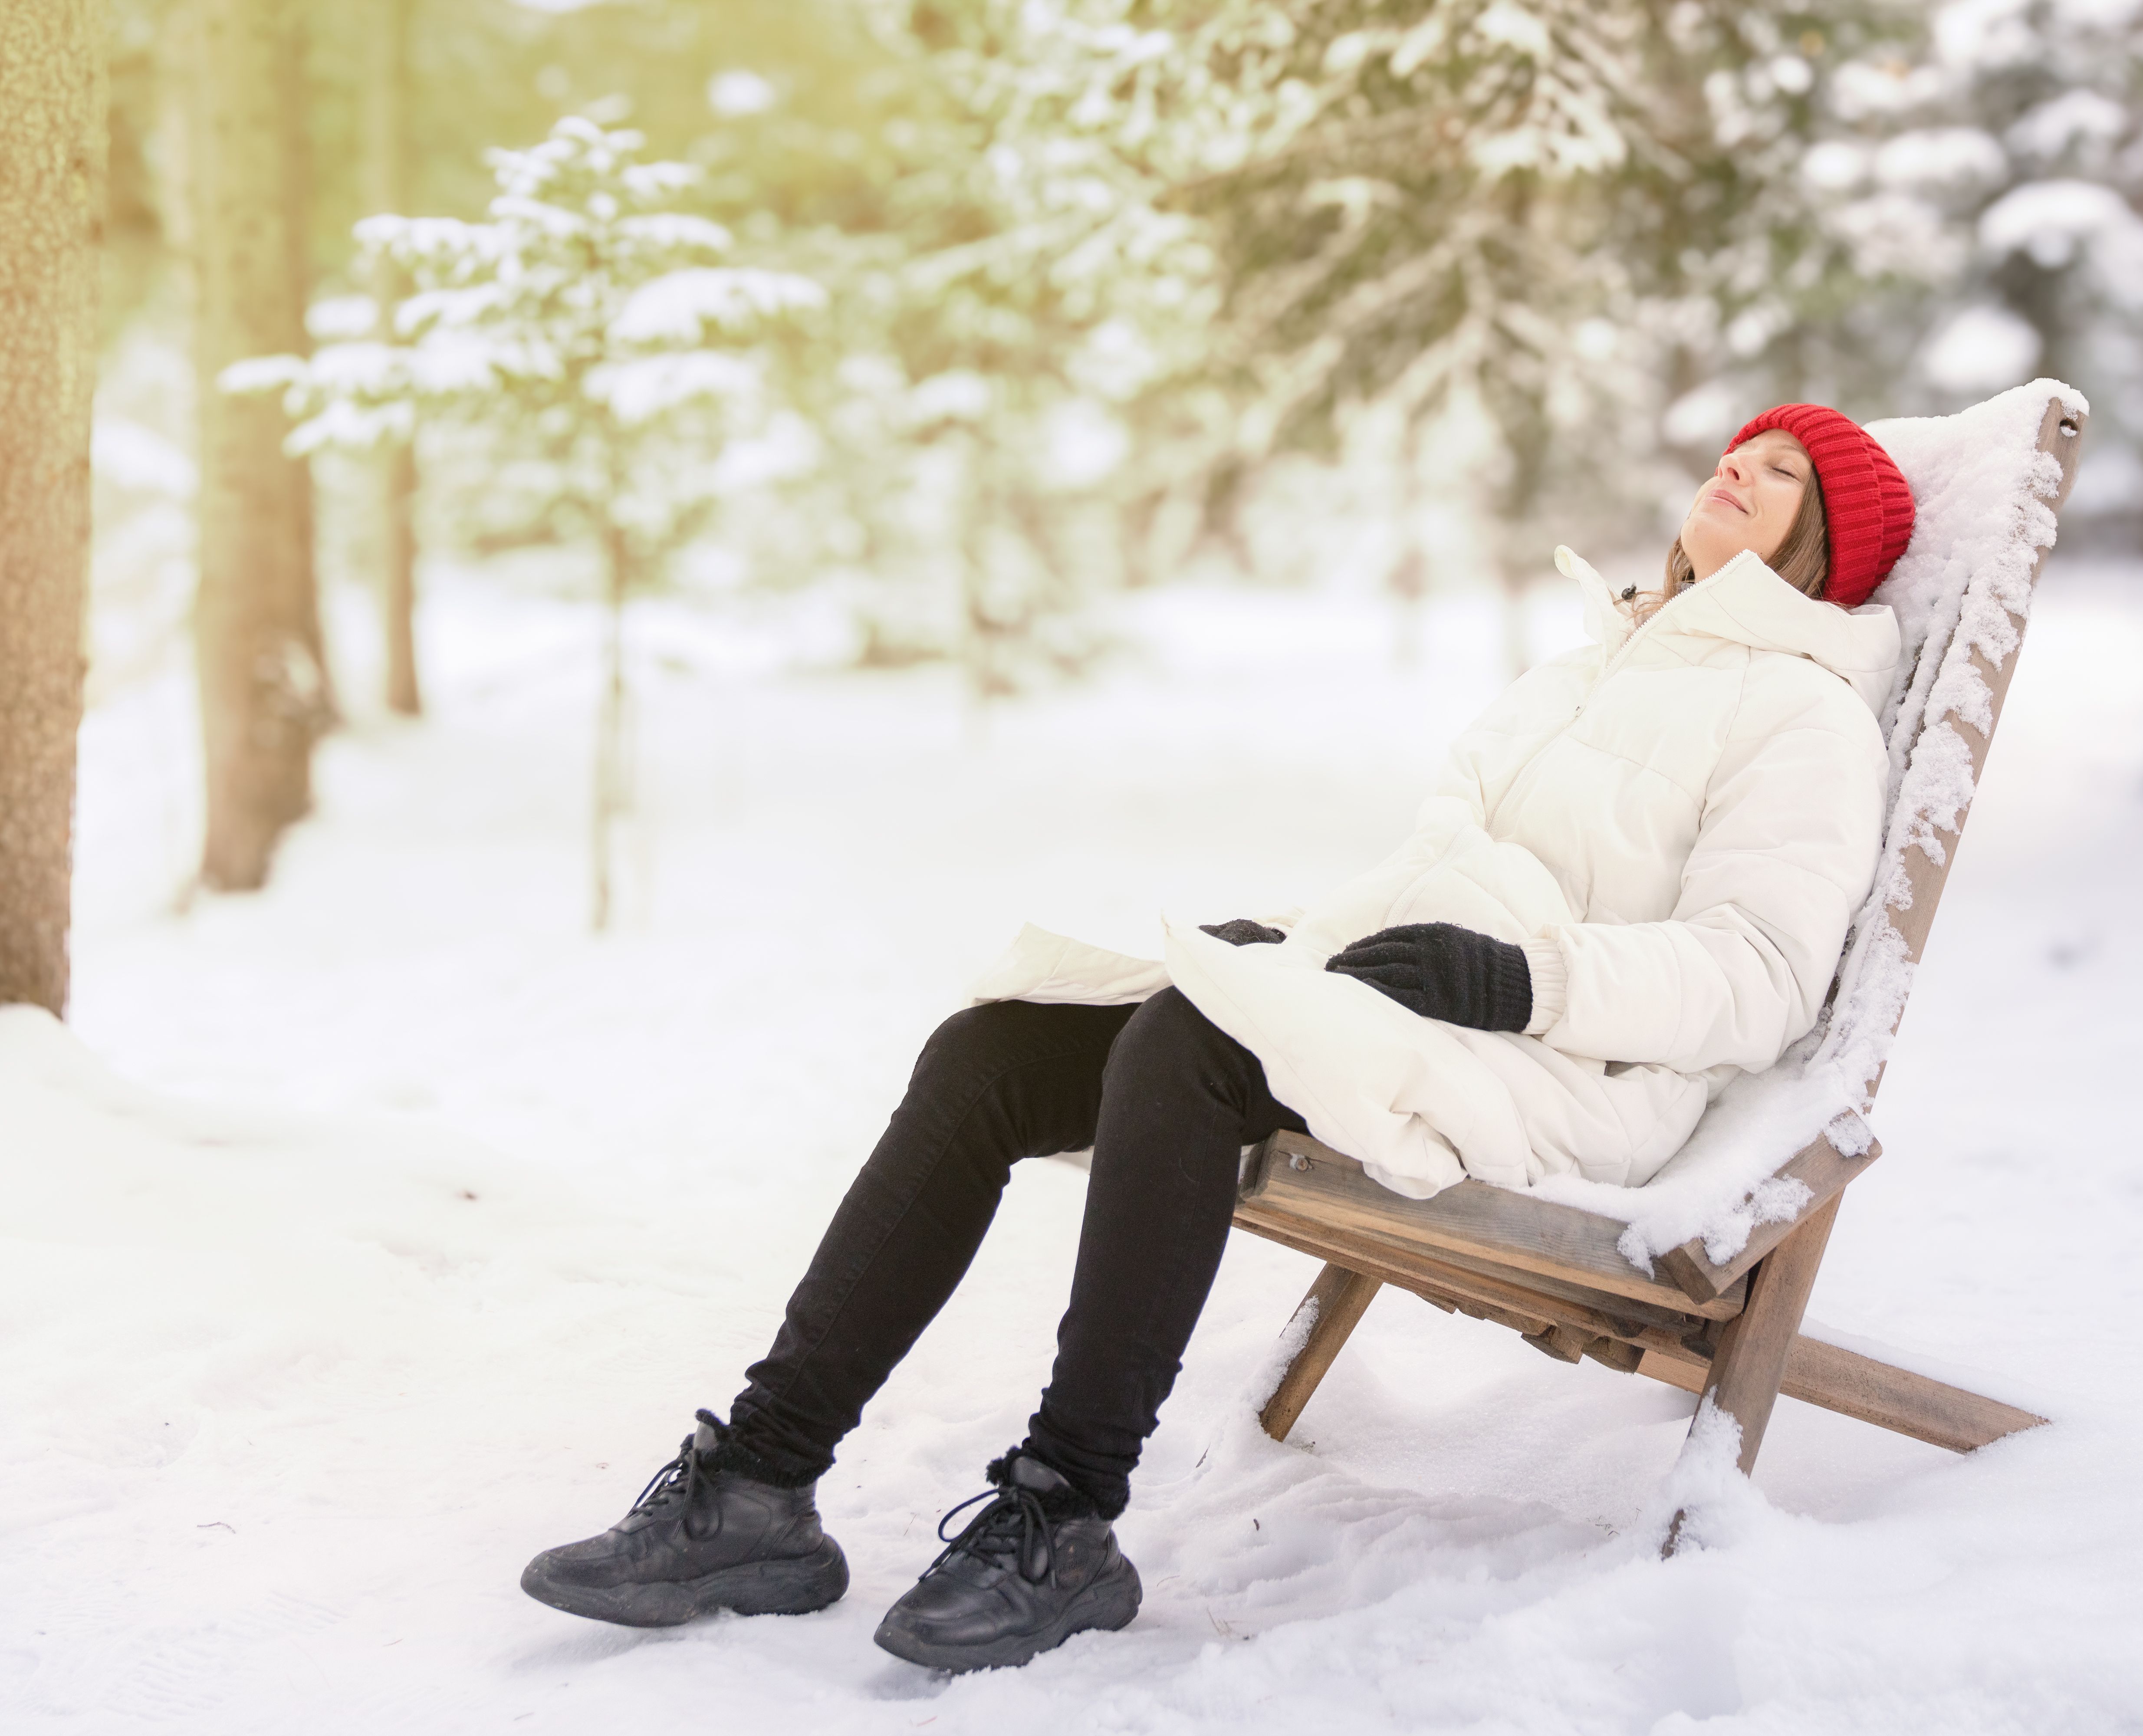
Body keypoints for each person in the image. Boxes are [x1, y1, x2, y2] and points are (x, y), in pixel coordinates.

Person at [519, 404, 1916, 1673]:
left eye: (1784, 475)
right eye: (1737, 451)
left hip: (1576, 1074)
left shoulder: (1806, 717)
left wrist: (1518, 981)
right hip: (1430, 1014)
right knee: (990, 1055)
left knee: (1188, 1050)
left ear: (1829, 549)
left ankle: (1067, 1516)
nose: (1738, 469)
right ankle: (758, 1485)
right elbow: (1447, 876)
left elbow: (1761, 977)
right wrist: (1307, 943)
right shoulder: (1589, 667)